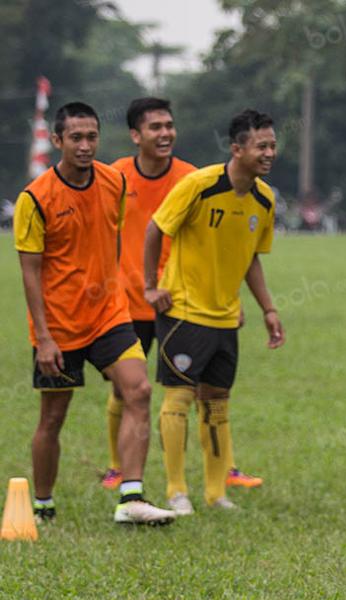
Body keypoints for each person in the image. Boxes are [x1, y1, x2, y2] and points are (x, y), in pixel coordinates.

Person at [13, 101, 176, 525]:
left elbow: (114, 239)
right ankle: (44, 503)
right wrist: (43, 337)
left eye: (92, 137)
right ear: (57, 141)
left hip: (108, 314)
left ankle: (131, 497)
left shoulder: (114, 182)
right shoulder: (35, 198)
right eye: (76, 138)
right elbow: (29, 274)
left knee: (138, 390)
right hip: (60, 325)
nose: (85, 146)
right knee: (52, 418)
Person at [104, 98, 263, 508]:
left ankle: (217, 481)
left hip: (174, 299)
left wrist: (239, 298)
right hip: (129, 298)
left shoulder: (190, 176)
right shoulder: (117, 177)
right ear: (135, 135)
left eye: (169, 126)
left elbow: (232, 247)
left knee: (203, 395)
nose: (165, 134)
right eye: (155, 127)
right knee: (128, 390)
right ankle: (117, 467)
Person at [144, 109, 285, 512]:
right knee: (179, 399)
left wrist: (268, 309)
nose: (269, 153)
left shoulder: (264, 198)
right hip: (184, 311)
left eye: (273, 145)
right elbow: (156, 228)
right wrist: (150, 287)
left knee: (218, 402)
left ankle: (216, 492)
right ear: (237, 148)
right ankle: (176, 491)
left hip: (227, 317)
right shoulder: (198, 185)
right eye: (262, 146)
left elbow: (251, 259)